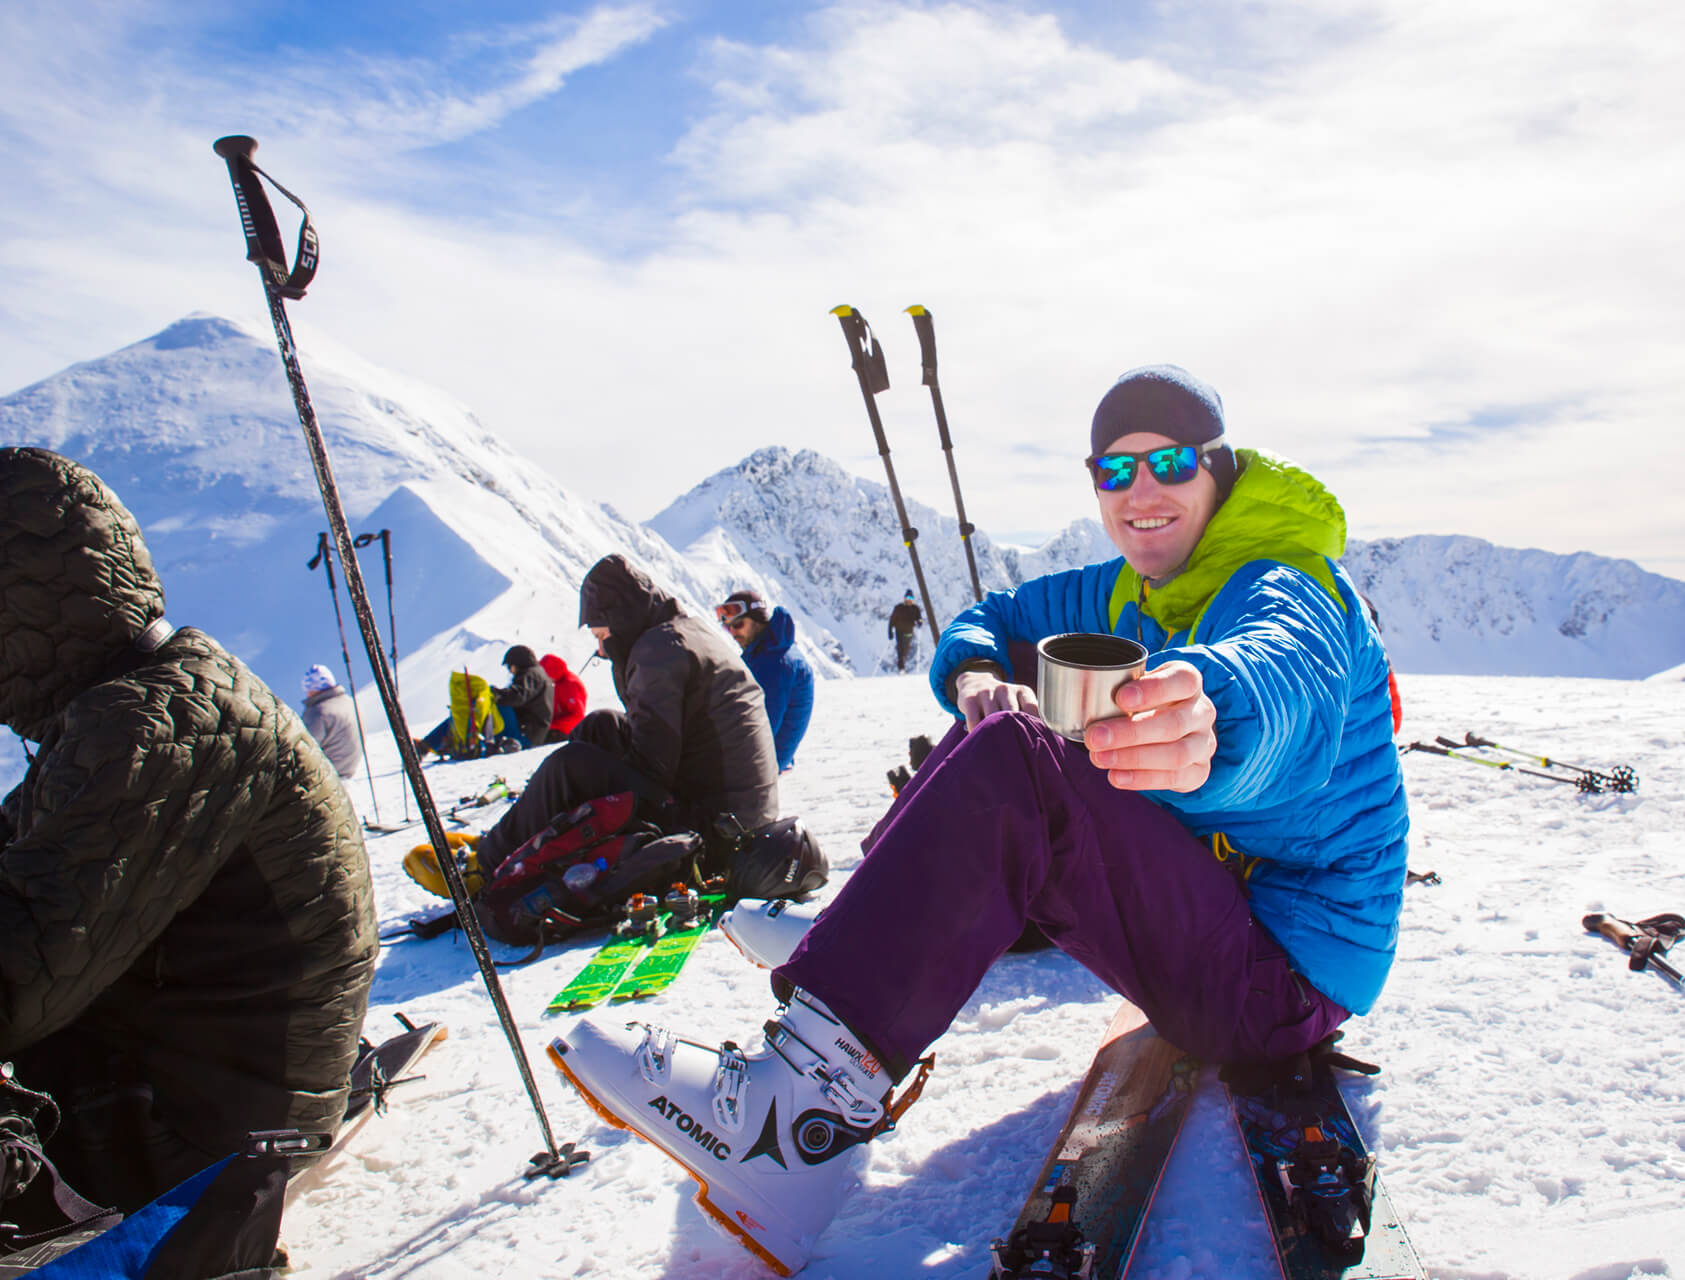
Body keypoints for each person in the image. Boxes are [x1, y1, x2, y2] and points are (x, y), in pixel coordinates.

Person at [549, 365, 1409, 1273]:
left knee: (1022, 764)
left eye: (1171, 463)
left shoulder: (1285, 580)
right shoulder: (1134, 586)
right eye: (1114, 471)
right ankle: (864, 939)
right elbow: (996, 616)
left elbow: (1288, 676)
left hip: (1281, 981)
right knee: (1000, 722)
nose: (1141, 492)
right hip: (1221, 921)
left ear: (1220, 469)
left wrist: (1212, 717)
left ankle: (792, 1120)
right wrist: (976, 674)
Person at [0, 448, 377, 1263]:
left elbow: (26, 961)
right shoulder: (145, 703)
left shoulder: (153, 724)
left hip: (204, 1132)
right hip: (221, 1082)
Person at [453, 555, 779, 878]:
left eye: (601, 636)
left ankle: (485, 865)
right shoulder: (677, 634)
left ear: (621, 620)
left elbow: (653, 767)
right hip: (733, 813)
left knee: (568, 766)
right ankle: (528, 840)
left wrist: (587, 771)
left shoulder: (659, 652)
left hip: (717, 833)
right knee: (602, 726)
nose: (602, 649)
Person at [716, 588, 815, 773]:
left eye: (738, 624)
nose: (733, 632)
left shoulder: (776, 663)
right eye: (728, 627)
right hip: (760, 761)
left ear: (757, 620)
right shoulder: (764, 654)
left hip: (756, 768)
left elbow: (760, 729)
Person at [299, 661, 361, 778]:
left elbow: (302, 749)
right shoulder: (349, 703)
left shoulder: (318, 712)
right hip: (350, 770)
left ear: (312, 689)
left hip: (328, 777)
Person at [492, 643, 555, 748]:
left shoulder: (531, 675)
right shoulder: (536, 673)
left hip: (528, 733)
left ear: (517, 664)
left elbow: (517, 697)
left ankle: (497, 739)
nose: (510, 671)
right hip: (533, 731)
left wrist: (496, 694)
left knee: (500, 705)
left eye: (509, 666)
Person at [540, 651, 590, 738]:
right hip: (555, 725)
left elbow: (577, 716)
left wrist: (552, 726)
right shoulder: (557, 682)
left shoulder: (571, 685)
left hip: (566, 730)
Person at [887, 590, 921, 672]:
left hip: (909, 632)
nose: (909, 599)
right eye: (907, 597)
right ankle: (901, 668)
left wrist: (919, 622)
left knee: (905, 650)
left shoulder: (915, 608)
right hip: (899, 631)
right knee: (900, 648)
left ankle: (902, 667)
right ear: (904, 598)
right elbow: (892, 620)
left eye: (911, 598)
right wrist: (890, 632)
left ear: (913, 599)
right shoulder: (899, 607)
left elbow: (919, 618)